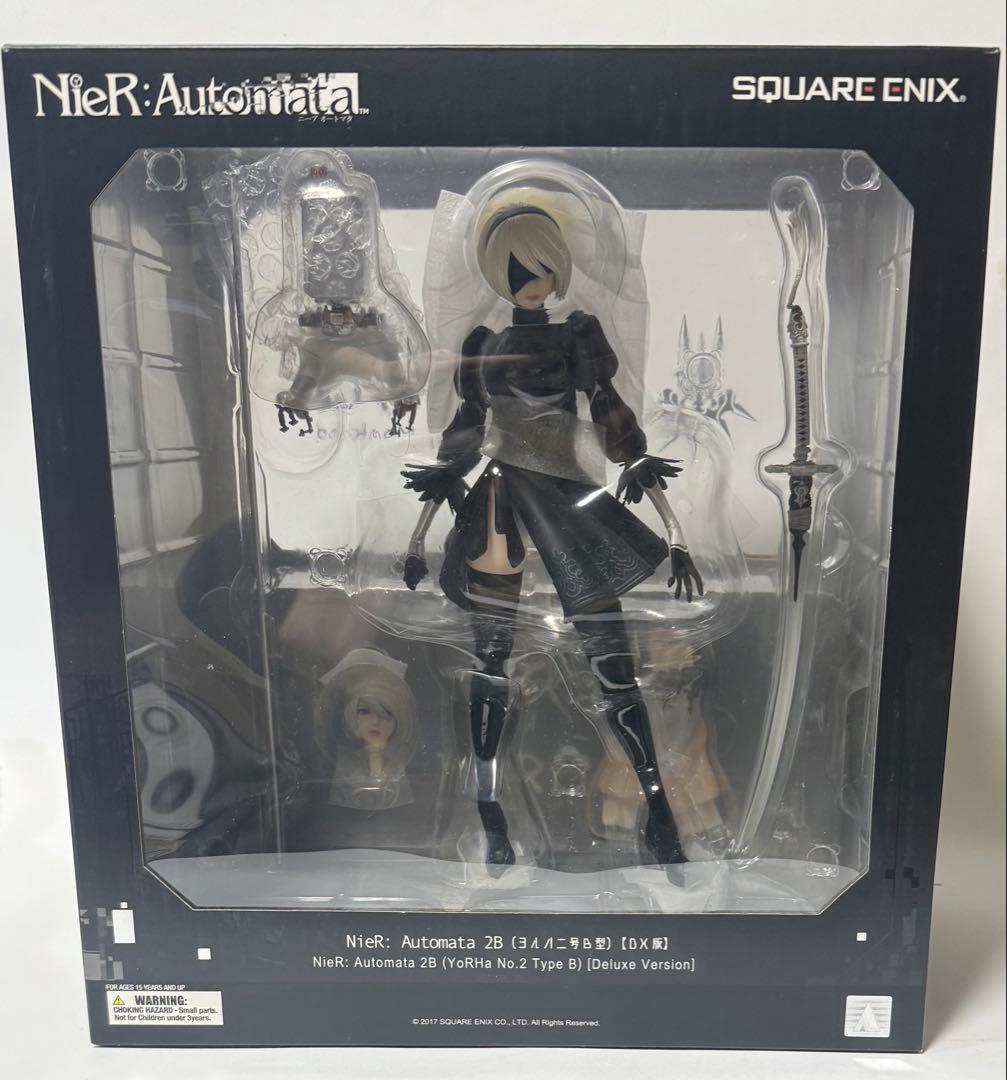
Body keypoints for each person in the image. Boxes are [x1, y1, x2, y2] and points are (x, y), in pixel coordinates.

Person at [402, 200, 703, 872]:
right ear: (496, 275)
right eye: (517, 273)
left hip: (567, 491)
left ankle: (657, 807)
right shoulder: (483, 345)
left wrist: (668, 518)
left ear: (558, 268)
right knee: (491, 656)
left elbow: (611, 413)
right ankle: (488, 812)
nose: (530, 284)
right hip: (503, 493)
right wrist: (422, 529)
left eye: (539, 270)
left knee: (611, 660)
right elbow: (464, 431)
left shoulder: (576, 335)